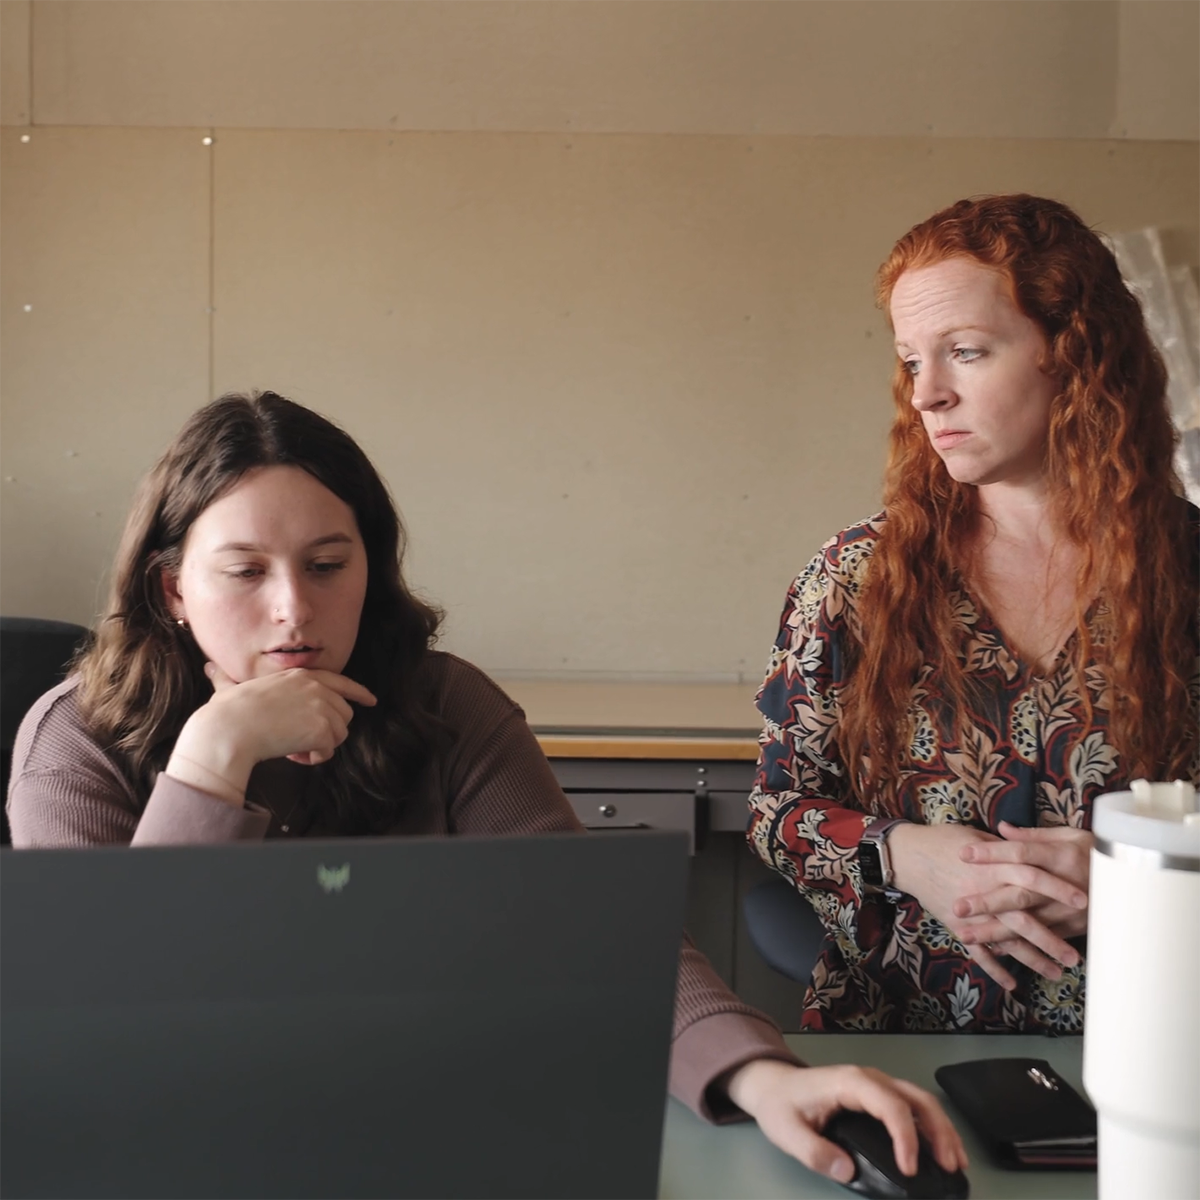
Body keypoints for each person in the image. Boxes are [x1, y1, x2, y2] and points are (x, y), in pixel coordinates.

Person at [8, 391, 964, 1184]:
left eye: (328, 566)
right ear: (173, 590)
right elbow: (117, 1039)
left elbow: (587, 931)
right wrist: (215, 755)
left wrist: (757, 1076)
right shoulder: (76, 741)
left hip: (426, 1135)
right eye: (245, 572)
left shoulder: (444, 704)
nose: (294, 607)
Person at [749, 193, 1200, 1033]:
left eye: (965, 351)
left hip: (1157, 1052)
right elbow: (779, 815)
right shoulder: (854, 578)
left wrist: (1150, 870)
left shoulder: (1189, 574)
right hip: (903, 1051)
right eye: (913, 362)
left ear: (1074, 354)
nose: (929, 396)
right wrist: (906, 855)